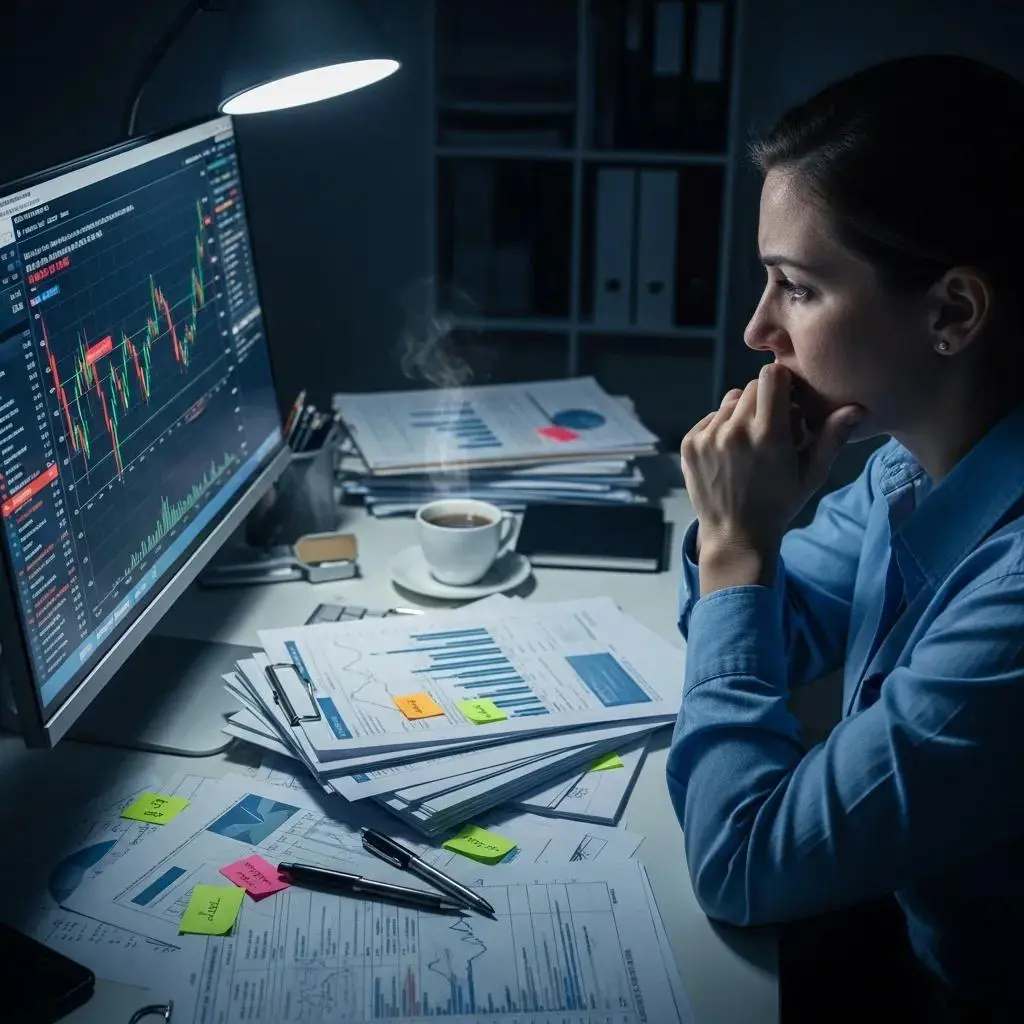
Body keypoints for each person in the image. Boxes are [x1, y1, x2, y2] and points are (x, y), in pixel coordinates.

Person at [669, 54, 1024, 1022]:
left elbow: (738, 859)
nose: (754, 330)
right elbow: (763, 637)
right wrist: (737, 538)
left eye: (796, 288)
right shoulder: (909, 465)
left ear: (951, 311)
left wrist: (737, 545)